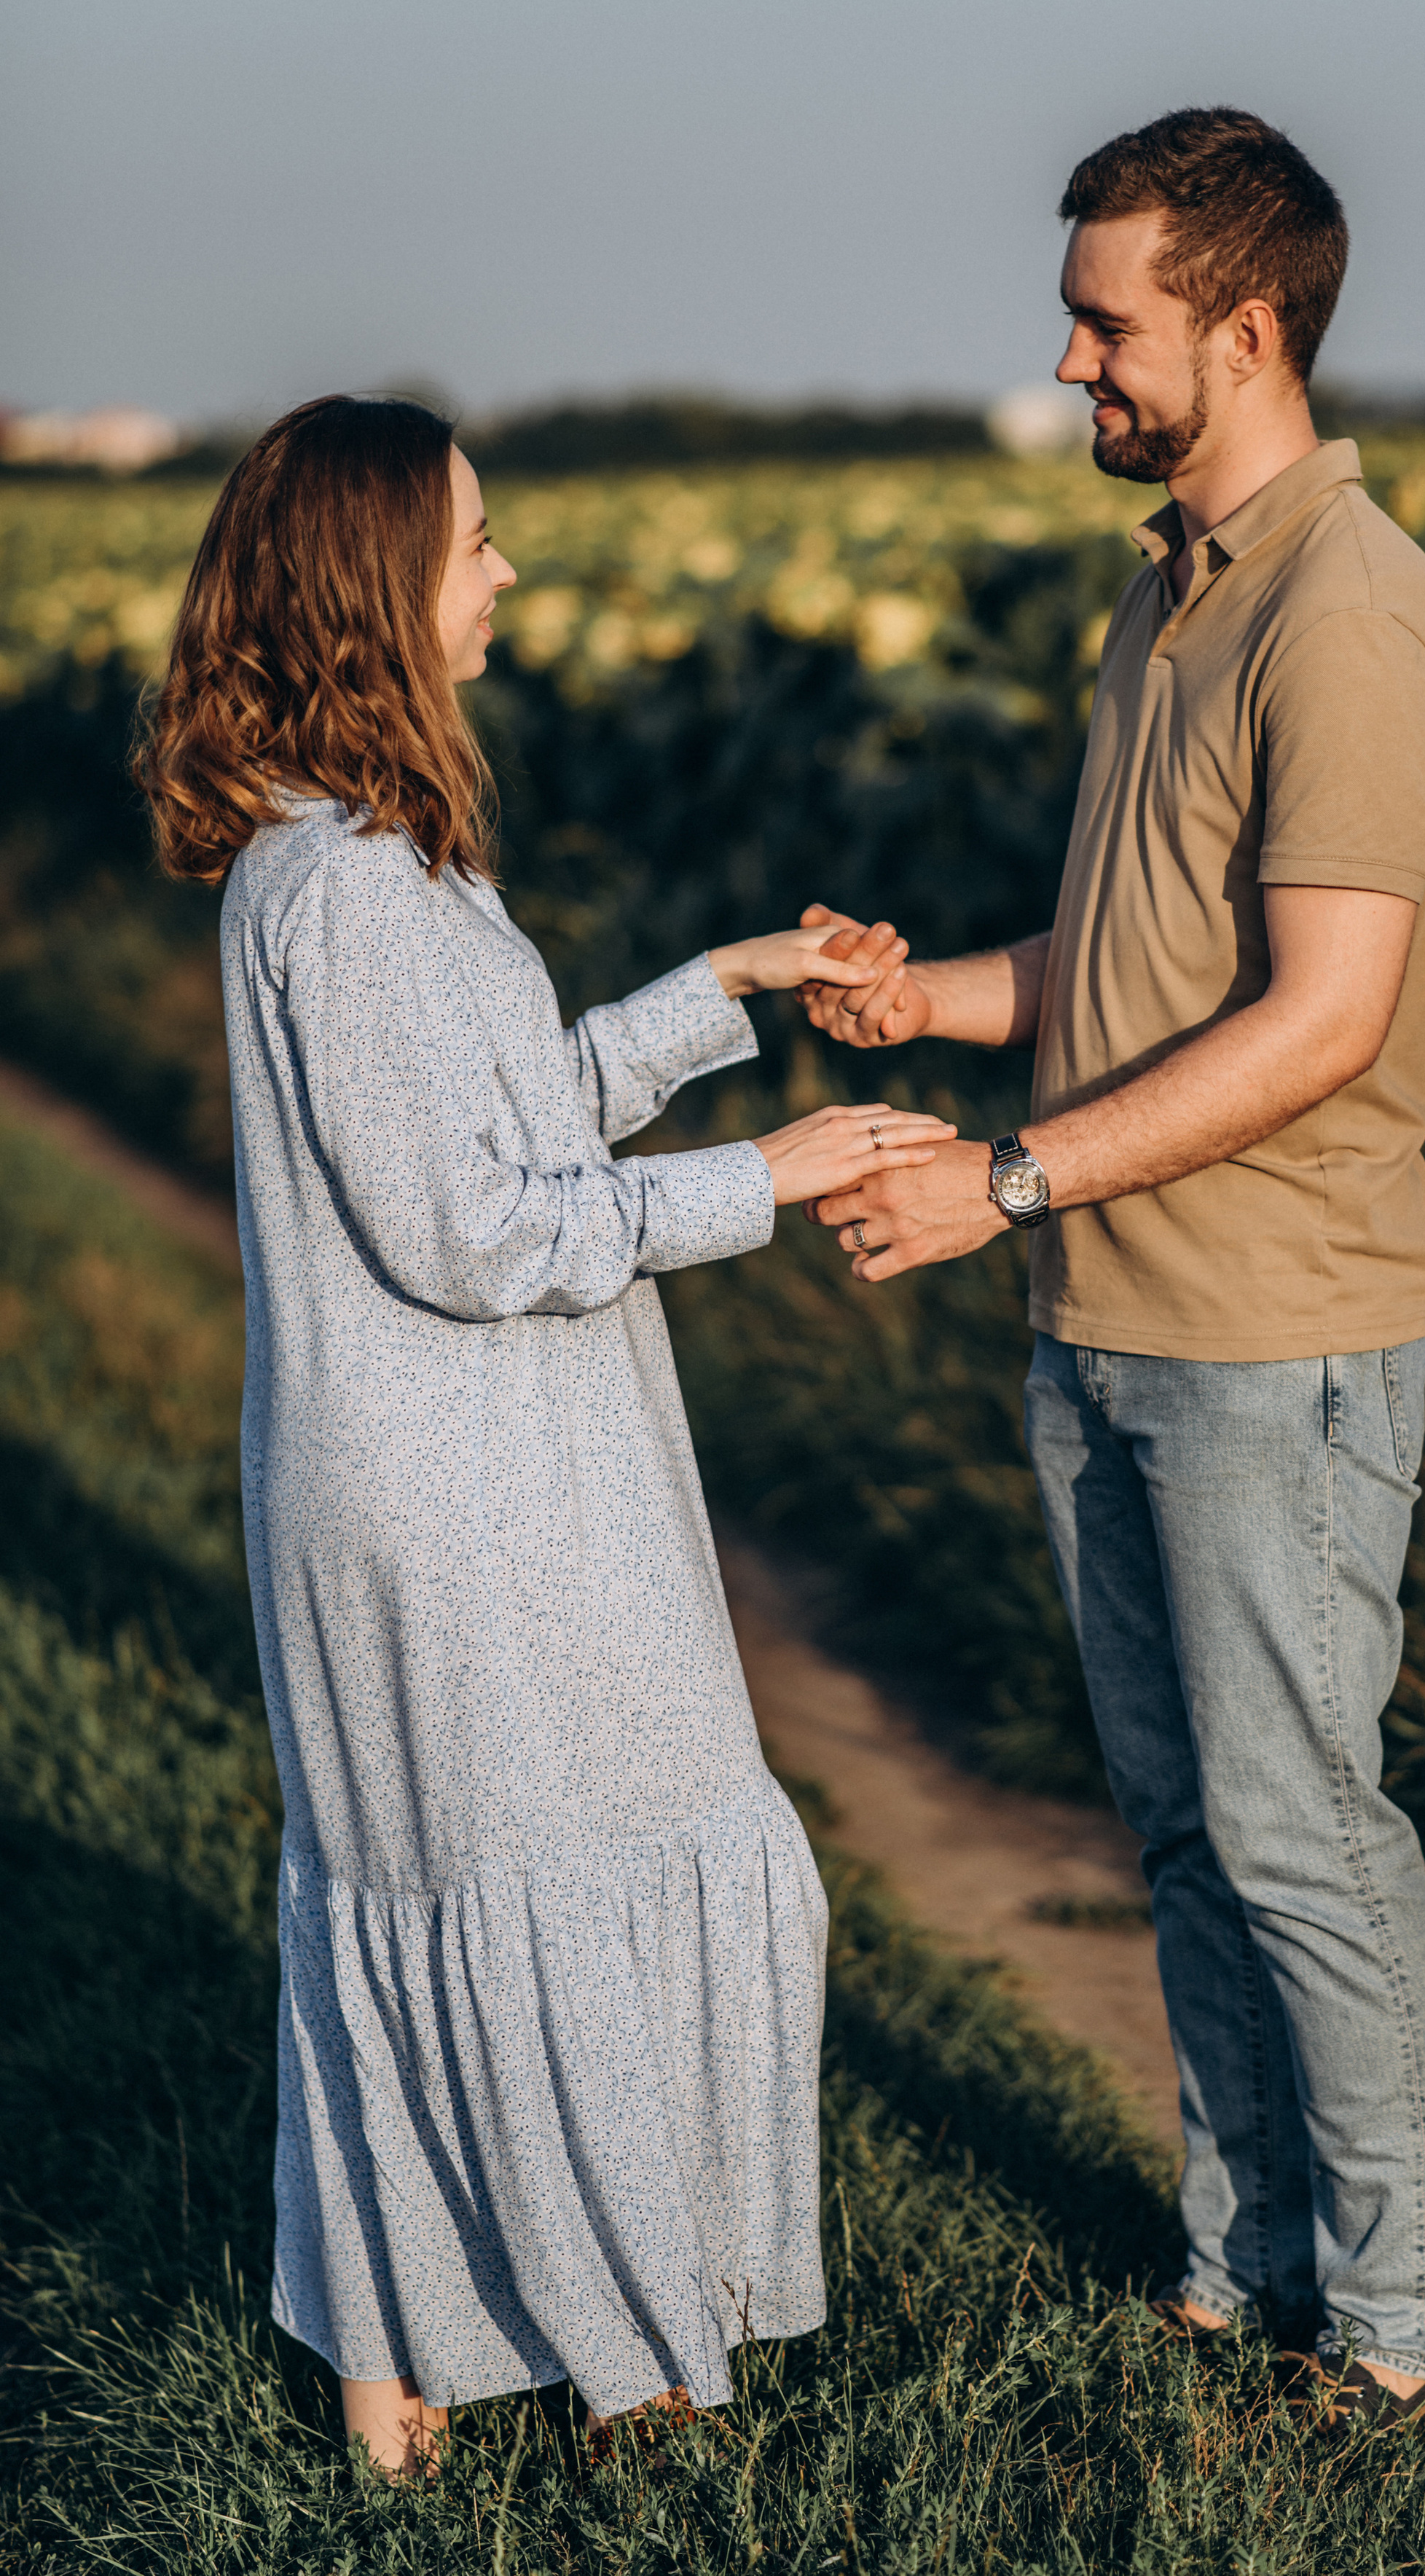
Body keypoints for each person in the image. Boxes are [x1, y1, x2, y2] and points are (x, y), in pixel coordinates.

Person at [133, 393, 955, 2476]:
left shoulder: (331, 858)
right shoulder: (358, 884)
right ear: (380, 584)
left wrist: (725, 988)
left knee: (438, 1890)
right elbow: (482, 1228)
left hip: (429, 1479)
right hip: (468, 1497)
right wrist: (765, 1180)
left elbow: (498, 1122)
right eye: (475, 542)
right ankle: (636, 2375)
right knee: (559, 1868)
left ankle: (396, 2397)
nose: (504, 574)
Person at [796, 109, 1425, 2438]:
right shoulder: (1169, 583)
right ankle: (1241, 2265)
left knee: (1306, 1836)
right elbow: (1133, 963)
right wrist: (934, 1002)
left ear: (1249, 328)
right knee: (1191, 1831)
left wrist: (1000, 1182)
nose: (1070, 354)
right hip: (1108, 1318)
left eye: (1110, 320)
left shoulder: (1349, 604)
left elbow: (1323, 1021)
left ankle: (1401, 2347)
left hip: (1275, 1336)